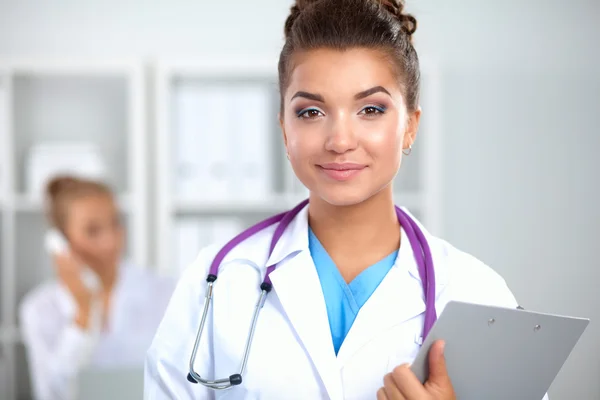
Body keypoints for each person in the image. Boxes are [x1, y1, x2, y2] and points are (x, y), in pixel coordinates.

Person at [144, 1, 549, 399]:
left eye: (370, 109)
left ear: (410, 127)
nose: (340, 141)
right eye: (310, 112)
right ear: (284, 130)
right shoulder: (218, 281)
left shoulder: (477, 294)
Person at [19, 176, 175, 400]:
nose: (111, 240)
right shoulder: (39, 309)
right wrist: (83, 314)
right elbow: (53, 393)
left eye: (115, 223)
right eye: (93, 231)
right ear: (61, 241)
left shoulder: (164, 291)